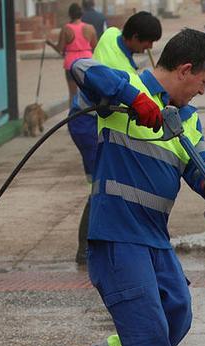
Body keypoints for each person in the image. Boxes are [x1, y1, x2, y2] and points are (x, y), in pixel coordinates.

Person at [50, 28, 205, 346]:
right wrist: (133, 100)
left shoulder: (187, 117)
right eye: (203, 80)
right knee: (148, 332)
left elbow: (198, 156)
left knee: (176, 314)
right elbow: (80, 67)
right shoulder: (125, 90)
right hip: (116, 236)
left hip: (154, 237)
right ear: (186, 70)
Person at [71, 11, 162, 265]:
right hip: (87, 124)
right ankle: (84, 251)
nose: (150, 48)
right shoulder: (118, 68)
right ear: (134, 37)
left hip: (85, 118)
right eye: (147, 42)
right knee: (99, 186)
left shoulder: (111, 34)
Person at [49, 3, 99, 107]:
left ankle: (72, 119)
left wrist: (50, 44)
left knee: (73, 94)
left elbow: (59, 49)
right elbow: (96, 47)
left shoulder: (66, 29)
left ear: (70, 14)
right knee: (89, 92)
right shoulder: (90, 28)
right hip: (87, 62)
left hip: (71, 64)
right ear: (81, 14)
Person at [93, 11, 162, 74]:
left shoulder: (110, 32)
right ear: (135, 37)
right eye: (150, 41)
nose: (150, 46)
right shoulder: (126, 72)